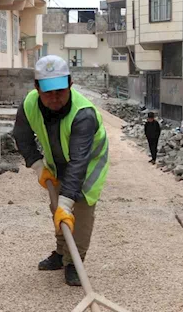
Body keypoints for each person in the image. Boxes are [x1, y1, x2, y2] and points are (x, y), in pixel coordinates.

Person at [13, 55, 110, 286]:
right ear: (36, 88)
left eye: (60, 91)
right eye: (48, 92)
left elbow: (78, 163)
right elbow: (22, 137)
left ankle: (75, 262)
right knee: (57, 208)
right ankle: (61, 253)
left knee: (80, 211)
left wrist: (68, 203)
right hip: (57, 161)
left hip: (87, 164)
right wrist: (38, 166)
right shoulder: (29, 105)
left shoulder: (83, 114)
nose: (55, 98)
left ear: (70, 84)